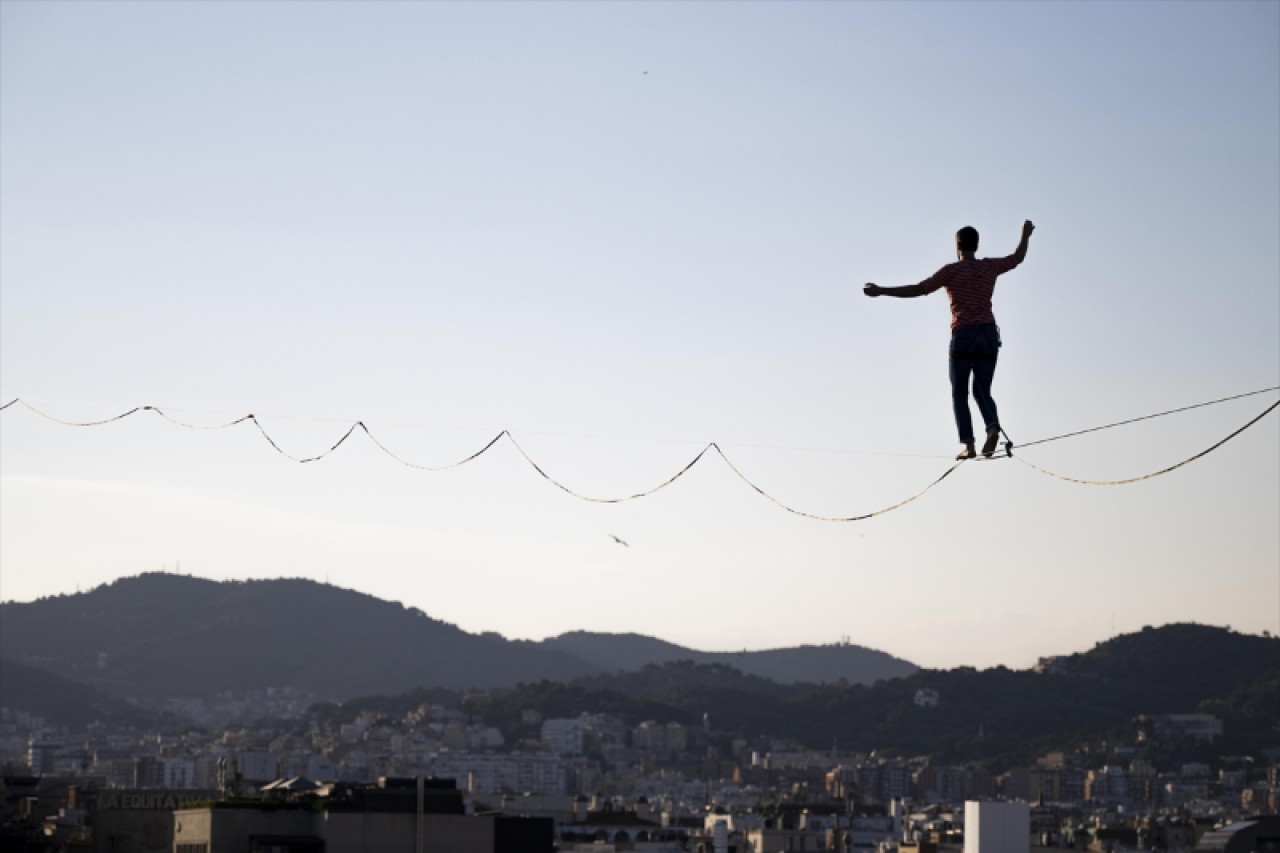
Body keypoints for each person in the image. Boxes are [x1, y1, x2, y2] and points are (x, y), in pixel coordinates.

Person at [863, 220, 1035, 460]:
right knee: (982, 390)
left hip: (964, 334)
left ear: (957, 246)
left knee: (959, 392)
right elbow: (1018, 258)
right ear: (977, 245)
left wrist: (882, 290)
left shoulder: (951, 271)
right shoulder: (989, 267)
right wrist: (1025, 235)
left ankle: (969, 444)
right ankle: (993, 427)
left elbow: (918, 289)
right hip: (988, 333)